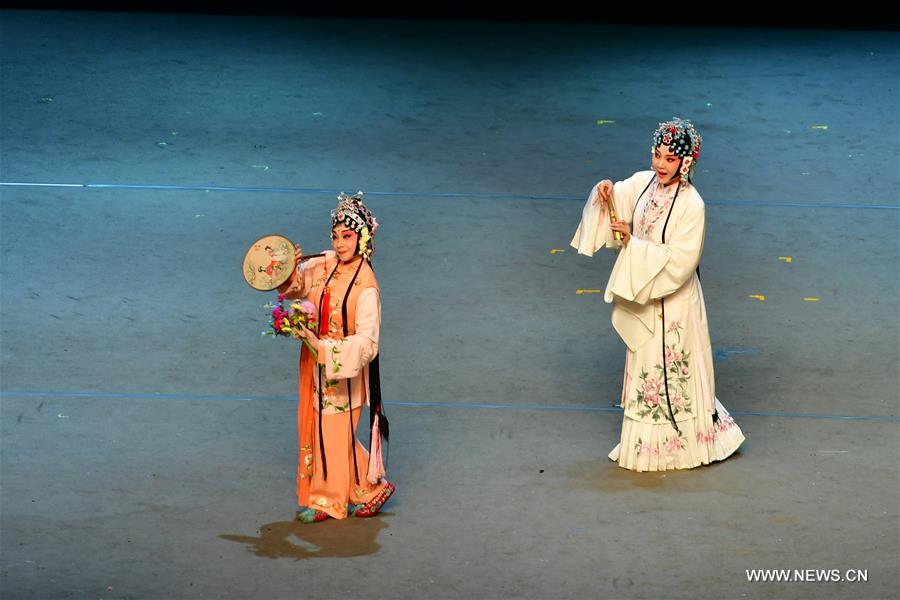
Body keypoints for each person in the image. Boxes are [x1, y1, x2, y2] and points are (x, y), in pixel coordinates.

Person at [571, 117, 745, 472]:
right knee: (647, 365)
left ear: (686, 162)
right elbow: (620, 196)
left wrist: (632, 244)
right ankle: (647, 444)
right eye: (657, 155)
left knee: (674, 368)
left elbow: (681, 262)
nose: (660, 164)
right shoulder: (644, 183)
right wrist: (606, 192)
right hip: (647, 294)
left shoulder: (692, 205)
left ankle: (688, 443)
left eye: (669, 159)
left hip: (676, 302)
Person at [278, 191, 394, 521]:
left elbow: (369, 343)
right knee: (323, 432)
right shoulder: (327, 262)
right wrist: (289, 268)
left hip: (340, 370)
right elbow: (299, 285)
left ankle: (327, 500)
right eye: (335, 236)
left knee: (332, 434)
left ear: (363, 239)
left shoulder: (366, 286)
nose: (340, 244)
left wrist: (324, 348)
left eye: (347, 236)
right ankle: (367, 488)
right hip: (316, 363)